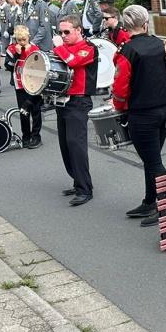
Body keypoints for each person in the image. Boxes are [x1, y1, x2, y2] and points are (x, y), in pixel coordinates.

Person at [111, 5, 166, 226]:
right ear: (145, 23)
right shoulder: (159, 44)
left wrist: (118, 106)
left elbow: (120, 87)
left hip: (142, 114)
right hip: (163, 110)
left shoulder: (127, 51)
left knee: (153, 161)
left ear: (127, 27)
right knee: (151, 158)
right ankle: (150, 201)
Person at [52, 16, 99, 205]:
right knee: (66, 145)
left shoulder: (89, 48)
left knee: (76, 145)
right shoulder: (64, 47)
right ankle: (77, 180)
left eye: (66, 32)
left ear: (78, 30)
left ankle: (85, 189)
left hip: (79, 101)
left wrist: (58, 47)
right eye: (60, 32)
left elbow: (72, 62)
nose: (62, 36)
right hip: (62, 100)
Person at [3, 25, 43, 148]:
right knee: (24, 111)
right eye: (19, 40)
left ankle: (36, 136)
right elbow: (8, 66)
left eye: (24, 40)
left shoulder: (35, 48)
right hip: (20, 83)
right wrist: (17, 55)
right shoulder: (11, 49)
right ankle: (26, 135)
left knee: (35, 110)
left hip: (34, 83)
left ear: (28, 38)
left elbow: (41, 66)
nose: (21, 43)